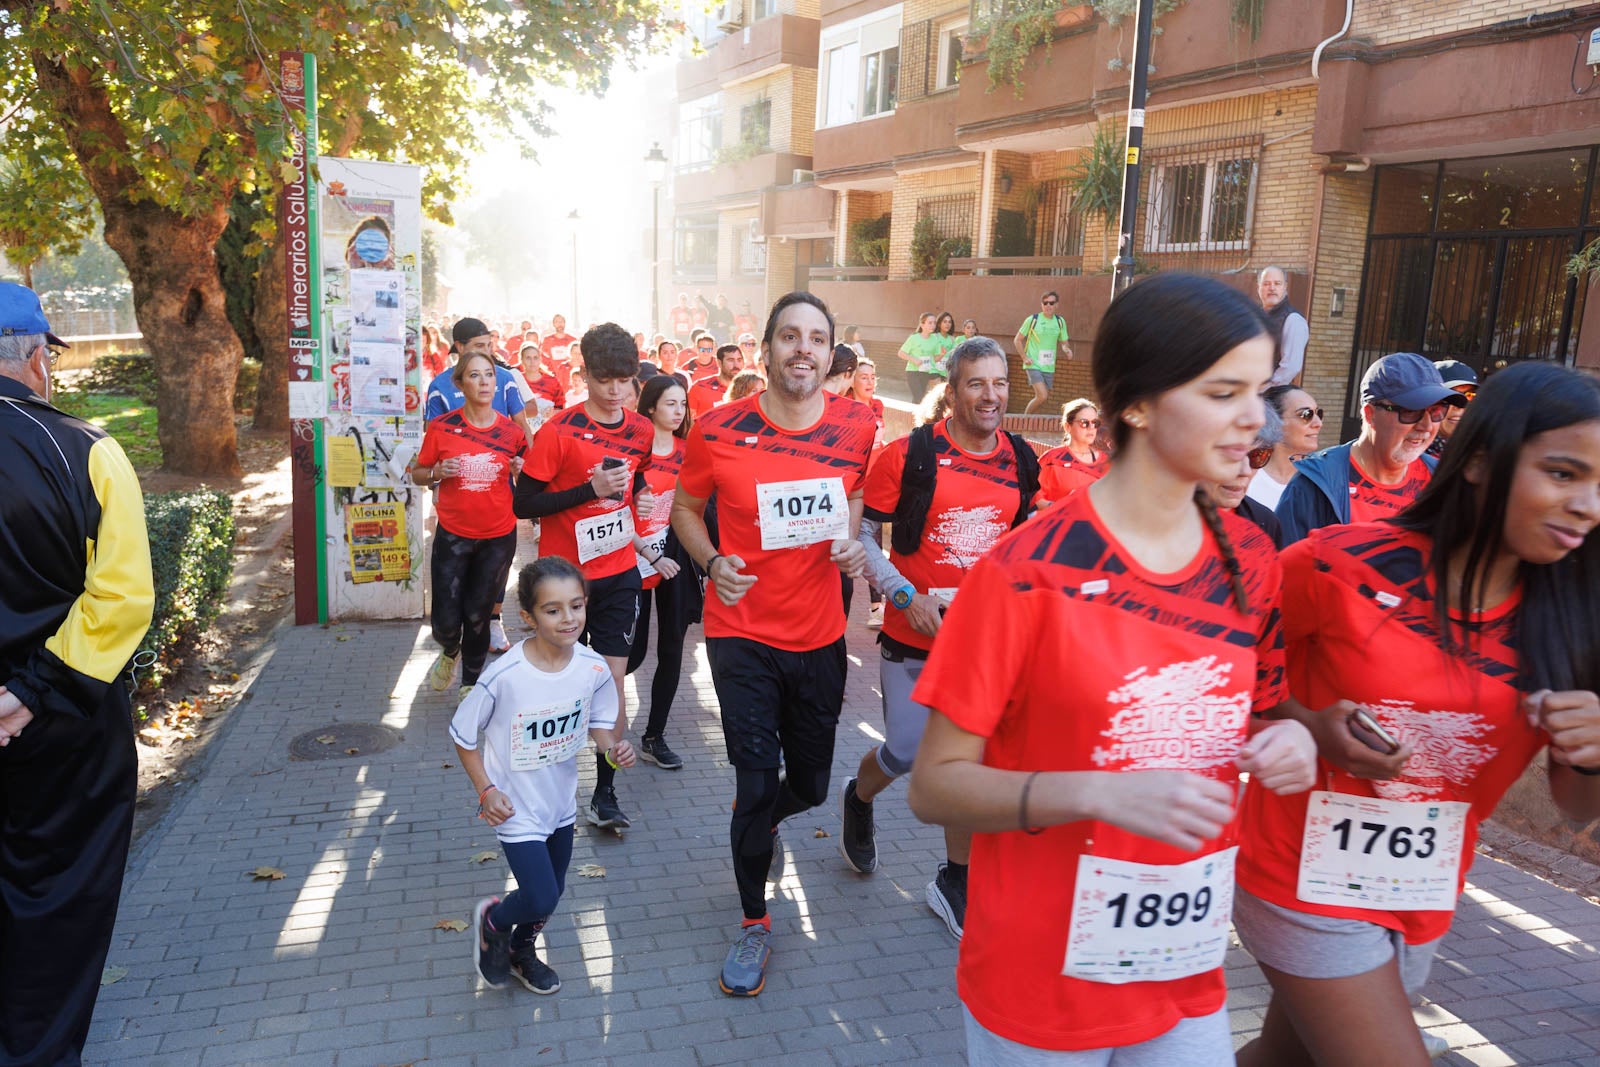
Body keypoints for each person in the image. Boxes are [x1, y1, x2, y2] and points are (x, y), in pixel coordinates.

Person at [905, 273, 1318, 1061]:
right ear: (1136, 403)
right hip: (1041, 980)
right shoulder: (1026, 571)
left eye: (1260, 391)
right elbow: (936, 784)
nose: (1254, 418)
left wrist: (1288, 742)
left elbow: (1261, 713)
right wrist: (1097, 792)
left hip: (1183, 959)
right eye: (1225, 390)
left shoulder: (1253, 559)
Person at [1233, 360, 1600, 1067]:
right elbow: (1220, 679)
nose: (1587, 504)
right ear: (1480, 463)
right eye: (1562, 473)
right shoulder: (1340, 565)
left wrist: (1592, 751)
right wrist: (1309, 725)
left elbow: (1575, 800)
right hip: (1298, 877)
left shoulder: (1572, 619)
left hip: (1419, 893)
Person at [670, 291, 878, 998]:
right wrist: (709, 560)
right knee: (755, 785)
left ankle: (764, 819)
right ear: (765, 351)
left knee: (811, 786)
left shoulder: (858, 424)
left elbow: (849, 498)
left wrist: (850, 541)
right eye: (788, 336)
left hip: (819, 635)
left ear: (830, 355)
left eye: (816, 339)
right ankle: (755, 920)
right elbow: (684, 508)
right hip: (741, 636)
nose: (802, 349)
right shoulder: (719, 428)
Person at [0, 283, 154, 1066]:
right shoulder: (88, 449)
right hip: (63, 725)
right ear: (36, 356)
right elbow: (124, 599)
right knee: (59, 901)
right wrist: (30, 692)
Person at [845, 337, 1041, 941]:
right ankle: (859, 796)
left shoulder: (1024, 458)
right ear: (951, 392)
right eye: (976, 384)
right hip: (913, 630)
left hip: (986, 641)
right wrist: (907, 597)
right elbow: (866, 540)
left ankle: (955, 876)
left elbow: (1026, 540)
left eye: (1000, 383)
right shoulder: (908, 455)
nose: (991, 396)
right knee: (905, 750)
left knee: (966, 760)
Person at [455, 558, 636, 995]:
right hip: (514, 809)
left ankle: (521, 951)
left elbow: (599, 723)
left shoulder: (592, 668)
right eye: (553, 610)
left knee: (549, 895)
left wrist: (613, 747)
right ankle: (492, 922)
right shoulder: (504, 675)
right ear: (528, 617)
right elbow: (463, 735)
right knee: (539, 896)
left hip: (560, 803)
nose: (568, 618)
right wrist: (487, 790)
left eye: (576, 606)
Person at [514, 323, 655, 832]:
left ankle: (606, 793)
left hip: (618, 571)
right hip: (565, 581)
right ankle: (541, 780)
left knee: (612, 679)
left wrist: (638, 530)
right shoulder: (560, 431)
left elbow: (633, 483)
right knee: (555, 681)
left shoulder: (640, 429)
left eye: (624, 380)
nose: (615, 390)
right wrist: (587, 489)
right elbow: (523, 502)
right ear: (584, 373)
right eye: (604, 379)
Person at [411, 350, 528, 697]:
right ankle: (449, 649)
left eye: (489, 375)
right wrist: (435, 473)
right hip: (453, 536)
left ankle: (470, 683)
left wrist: (522, 473)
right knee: (446, 622)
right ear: (460, 384)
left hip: (498, 536)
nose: (484, 382)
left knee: (478, 614)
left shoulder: (511, 433)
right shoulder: (443, 427)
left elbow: (532, 481)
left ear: (497, 381)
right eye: (474, 375)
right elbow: (417, 473)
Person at [425, 318, 534, 653]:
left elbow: (522, 424)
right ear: (459, 348)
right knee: (454, 590)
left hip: (499, 484)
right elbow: (431, 448)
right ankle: (451, 638)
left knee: (494, 569)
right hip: (458, 493)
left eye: (489, 345)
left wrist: (529, 470)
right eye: (477, 347)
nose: (487, 353)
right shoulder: (440, 387)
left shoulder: (507, 378)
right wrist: (436, 477)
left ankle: (493, 620)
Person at [1276, 352, 1466, 544]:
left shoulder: (1443, 482)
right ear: (1370, 414)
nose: (1426, 426)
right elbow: (1284, 569)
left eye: (1436, 411)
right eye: (1411, 412)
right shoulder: (1316, 484)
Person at [625, 376, 702, 771]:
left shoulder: (689, 452)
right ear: (651, 406)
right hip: (630, 558)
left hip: (673, 558)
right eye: (670, 404)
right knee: (631, 654)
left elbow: (698, 505)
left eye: (683, 404)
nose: (679, 412)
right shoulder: (632, 451)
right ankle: (599, 714)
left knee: (672, 648)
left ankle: (654, 736)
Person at [1202, 404, 1285, 549]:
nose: (1245, 471)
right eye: (1231, 454)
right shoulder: (1158, 523)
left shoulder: (1265, 523)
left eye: (1258, 456)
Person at [1247, 384, 1323, 512]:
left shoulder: (1320, 481)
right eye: (1306, 414)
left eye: (1318, 414)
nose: (1318, 424)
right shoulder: (1244, 479)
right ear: (1274, 421)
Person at [1035, 398, 1108, 507]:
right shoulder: (1052, 459)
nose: (1091, 428)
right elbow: (1033, 497)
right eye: (1084, 423)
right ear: (1067, 426)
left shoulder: (1105, 462)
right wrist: (1063, 508)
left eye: (1095, 423)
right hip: (1059, 522)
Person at [1014, 290, 1072, 415]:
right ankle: (1024, 422)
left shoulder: (1060, 321)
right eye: (1045, 303)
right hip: (1033, 363)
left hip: (1048, 365)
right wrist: (1024, 357)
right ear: (1041, 305)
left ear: (1057, 305)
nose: (1048, 306)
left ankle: (1030, 425)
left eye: (1051, 303)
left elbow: (1064, 342)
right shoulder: (1032, 319)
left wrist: (1067, 349)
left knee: (1041, 398)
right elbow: (1017, 340)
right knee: (1042, 395)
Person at [1259, 266, 1309, 388]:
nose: (1271, 288)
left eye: (1277, 283)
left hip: (1271, 397)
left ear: (1285, 287)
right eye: (1266, 284)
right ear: (1258, 288)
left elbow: (1291, 366)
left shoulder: (1293, 320)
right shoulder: (1254, 316)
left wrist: (1265, 388)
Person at [1429, 358, 1478, 457]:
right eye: (1451, 396)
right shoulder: (1409, 456)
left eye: (1469, 395)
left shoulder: (1484, 453)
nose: (1460, 405)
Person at [688, 343, 745, 416]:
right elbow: (688, 420)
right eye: (731, 360)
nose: (736, 365)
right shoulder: (700, 386)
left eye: (739, 360)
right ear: (719, 363)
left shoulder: (751, 388)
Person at [900, 312, 943, 402]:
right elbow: (901, 353)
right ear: (922, 324)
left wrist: (942, 355)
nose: (933, 325)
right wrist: (914, 360)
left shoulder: (935, 339)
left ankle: (914, 414)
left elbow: (934, 359)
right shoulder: (914, 338)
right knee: (918, 396)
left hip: (925, 371)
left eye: (934, 323)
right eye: (930, 323)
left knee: (920, 397)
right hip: (912, 371)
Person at [932, 312, 960, 381]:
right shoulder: (934, 337)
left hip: (946, 371)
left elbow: (954, 354)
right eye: (945, 322)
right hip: (934, 371)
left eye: (949, 322)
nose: (947, 324)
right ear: (939, 324)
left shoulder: (952, 339)